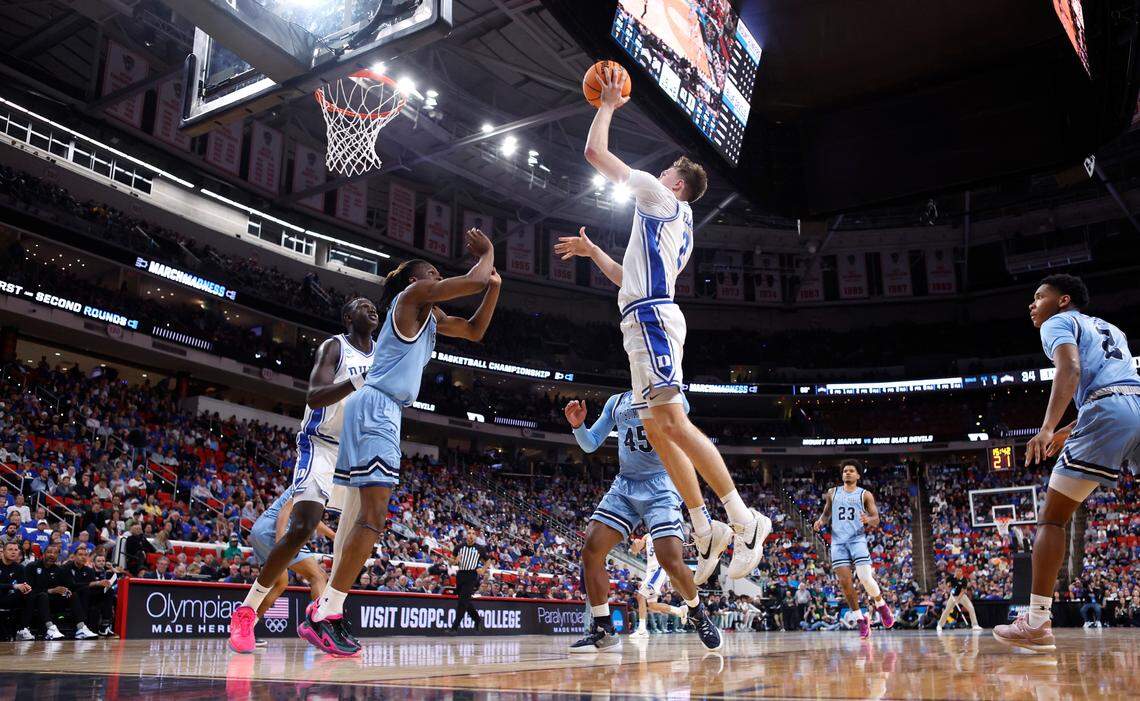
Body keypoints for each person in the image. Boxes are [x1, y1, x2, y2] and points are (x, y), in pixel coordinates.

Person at [559, 65, 771, 585]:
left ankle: (744, 520)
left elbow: (595, 154)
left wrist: (606, 104)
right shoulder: (682, 225)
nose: (657, 172)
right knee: (654, 425)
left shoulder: (658, 195)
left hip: (651, 318)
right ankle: (704, 526)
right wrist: (592, 252)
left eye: (665, 171)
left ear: (674, 181)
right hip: (644, 312)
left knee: (672, 423)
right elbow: (627, 278)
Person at [300, 231, 502, 656]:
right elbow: (471, 280)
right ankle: (326, 612)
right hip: (376, 407)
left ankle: (330, 609)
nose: (435, 276)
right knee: (372, 518)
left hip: (383, 412)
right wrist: (488, 256)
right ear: (412, 281)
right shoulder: (410, 299)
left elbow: (475, 330)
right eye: (429, 273)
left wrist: (494, 288)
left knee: (364, 519)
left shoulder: (430, 320)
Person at [995, 275, 1140, 652]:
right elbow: (1117, 387)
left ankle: (1038, 622)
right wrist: (1068, 429)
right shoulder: (1112, 328)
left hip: (1108, 411)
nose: (1032, 304)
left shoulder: (1058, 323)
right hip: (1134, 405)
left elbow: (1070, 370)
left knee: (1052, 519)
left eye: (1038, 296)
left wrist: (1046, 429)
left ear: (1063, 300)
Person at [228, 297, 380, 654]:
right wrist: (358, 382)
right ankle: (247, 610)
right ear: (347, 317)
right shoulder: (334, 346)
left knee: (360, 533)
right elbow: (314, 395)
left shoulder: (383, 355)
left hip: (357, 450)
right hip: (321, 445)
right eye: (361, 305)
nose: (371, 308)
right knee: (302, 525)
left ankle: (326, 612)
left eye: (374, 305)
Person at [564, 392, 721, 653]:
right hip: (625, 485)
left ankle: (696, 611)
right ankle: (603, 629)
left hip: (662, 483)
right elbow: (590, 444)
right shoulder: (615, 401)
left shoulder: (670, 394)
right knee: (591, 549)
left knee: (670, 559)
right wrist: (578, 426)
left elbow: (680, 414)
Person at [229, 484, 334, 653]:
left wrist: (334, 537)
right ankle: (322, 632)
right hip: (275, 531)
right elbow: (287, 509)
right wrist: (280, 542)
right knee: (319, 576)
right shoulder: (316, 482)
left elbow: (313, 520)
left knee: (280, 583)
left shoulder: (311, 481)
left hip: (259, 531)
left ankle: (246, 629)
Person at [812, 460, 894, 639]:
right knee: (845, 583)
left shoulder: (865, 494)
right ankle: (860, 619)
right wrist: (820, 521)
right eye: (845, 471)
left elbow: (876, 519)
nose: (847, 473)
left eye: (851, 471)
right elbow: (826, 513)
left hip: (857, 540)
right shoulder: (832, 493)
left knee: (865, 578)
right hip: (838, 543)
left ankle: (881, 605)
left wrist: (868, 520)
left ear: (858, 475)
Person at [627, 534, 690, 639]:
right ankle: (680, 611)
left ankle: (642, 630)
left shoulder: (664, 533)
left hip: (658, 569)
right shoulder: (647, 536)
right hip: (650, 571)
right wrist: (633, 542)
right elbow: (635, 550)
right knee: (652, 605)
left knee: (640, 596)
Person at [25, 545, 92, 640]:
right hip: (36, 600)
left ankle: (81, 627)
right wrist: (50, 590)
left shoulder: (59, 570)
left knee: (72, 594)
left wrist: (66, 590)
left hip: (54, 601)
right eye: (49, 552)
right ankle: (50, 628)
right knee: (43, 596)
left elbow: (69, 585)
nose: (52, 555)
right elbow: (28, 588)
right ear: (43, 554)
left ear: (58, 556)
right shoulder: (32, 567)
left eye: (55, 553)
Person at [449, 530, 488, 634]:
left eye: (473, 534)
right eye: (469, 533)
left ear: (475, 537)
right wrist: (454, 560)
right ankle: (477, 619)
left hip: (471, 576)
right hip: (460, 575)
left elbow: (487, 561)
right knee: (465, 601)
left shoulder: (480, 548)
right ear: (466, 536)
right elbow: (451, 561)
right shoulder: (459, 547)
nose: (471, 535)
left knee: (462, 602)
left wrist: (483, 569)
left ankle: (454, 628)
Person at [60, 546, 101, 639]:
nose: (83, 557)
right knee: (84, 590)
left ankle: (104, 625)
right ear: (74, 556)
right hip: (66, 595)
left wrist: (101, 585)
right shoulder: (66, 567)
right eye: (80, 555)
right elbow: (71, 585)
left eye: (85, 555)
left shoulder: (89, 570)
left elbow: (92, 585)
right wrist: (91, 584)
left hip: (85, 596)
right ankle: (82, 627)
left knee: (106, 591)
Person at [0, 541, 34, 640]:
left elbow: (23, 584)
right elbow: (15, 586)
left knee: (31, 594)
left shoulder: (20, 568)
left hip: (12, 598)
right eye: (10, 549)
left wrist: (26, 588)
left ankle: (23, 628)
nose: (13, 552)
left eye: (16, 550)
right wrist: (13, 586)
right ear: (3, 552)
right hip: (2, 595)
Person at [936, 567, 981, 632]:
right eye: (957, 571)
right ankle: (940, 625)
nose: (958, 573)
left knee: (971, 608)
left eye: (959, 571)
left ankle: (975, 625)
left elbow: (963, 591)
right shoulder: (951, 578)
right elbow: (946, 585)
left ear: (961, 572)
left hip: (962, 596)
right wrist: (948, 589)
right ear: (955, 572)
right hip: (953, 596)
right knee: (947, 610)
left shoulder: (964, 580)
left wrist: (958, 599)